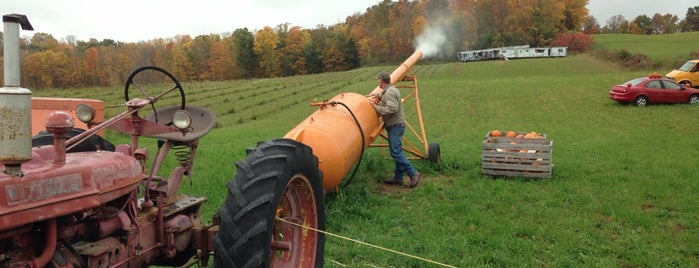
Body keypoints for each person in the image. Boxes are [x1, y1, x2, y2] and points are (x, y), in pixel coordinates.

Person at [370, 72, 420, 188]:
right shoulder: (391, 90)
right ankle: (398, 177)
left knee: (396, 152)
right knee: (398, 151)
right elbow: (389, 99)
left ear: (382, 81)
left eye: (378, 80)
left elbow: (392, 108)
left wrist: (376, 107)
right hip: (397, 125)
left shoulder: (390, 92)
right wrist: (379, 97)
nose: (378, 82)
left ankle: (413, 173)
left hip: (395, 126)